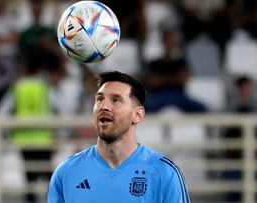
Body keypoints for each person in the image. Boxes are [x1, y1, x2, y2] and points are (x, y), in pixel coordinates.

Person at [47, 71, 190, 203]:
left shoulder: (164, 174)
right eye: (100, 99)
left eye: (115, 100)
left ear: (137, 114)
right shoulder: (67, 172)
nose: (104, 106)